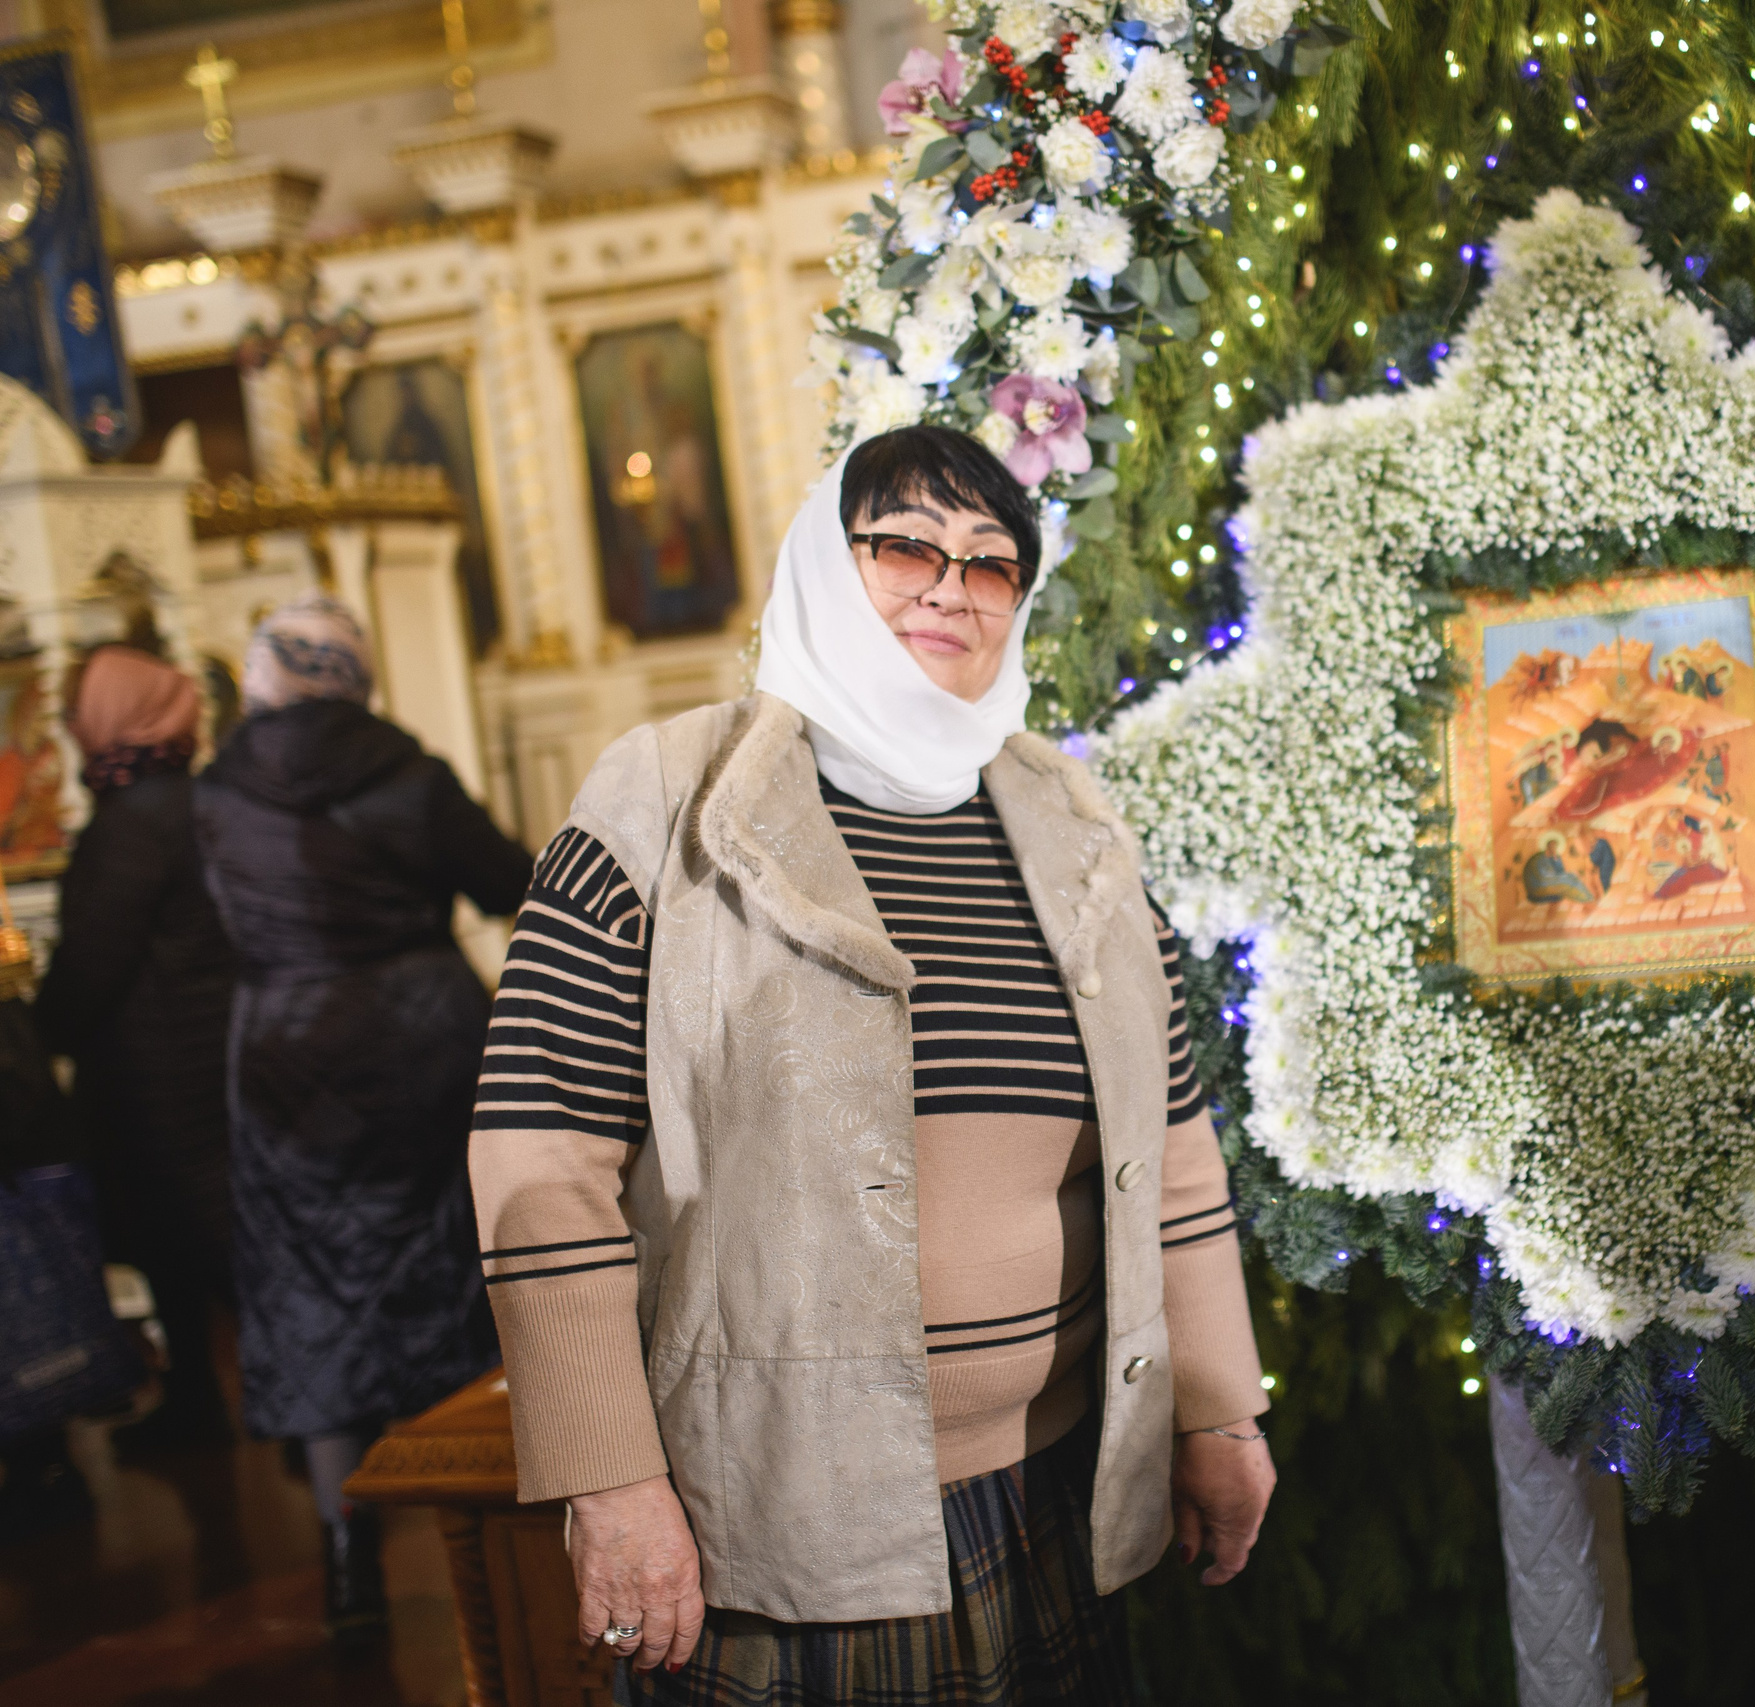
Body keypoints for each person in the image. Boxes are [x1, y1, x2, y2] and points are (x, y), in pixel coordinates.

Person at [468, 424, 1275, 1705]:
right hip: (773, 1520)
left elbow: (1170, 1145)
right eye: (904, 544)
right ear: (827, 568)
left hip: (1052, 1497)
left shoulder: (1071, 817)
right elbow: (539, 1160)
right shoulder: (664, 797)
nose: (950, 585)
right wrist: (609, 1480)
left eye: (991, 562)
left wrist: (1219, 1412)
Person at [193, 597, 532, 1643]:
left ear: (263, 679)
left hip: (285, 1054)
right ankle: (505, 1539)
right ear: (356, 671)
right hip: (423, 1043)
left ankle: (348, 1561)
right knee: (456, 1270)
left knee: (311, 1296)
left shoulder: (212, 793)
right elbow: (514, 879)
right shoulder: (409, 772)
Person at [35, 645, 238, 1447]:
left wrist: (45, 1026)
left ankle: (207, 1405)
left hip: (156, 1074)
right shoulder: (207, 798)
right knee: (221, 1242)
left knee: (187, 1248)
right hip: (222, 1051)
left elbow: (95, 956)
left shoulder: (130, 821)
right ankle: (278, 1408)